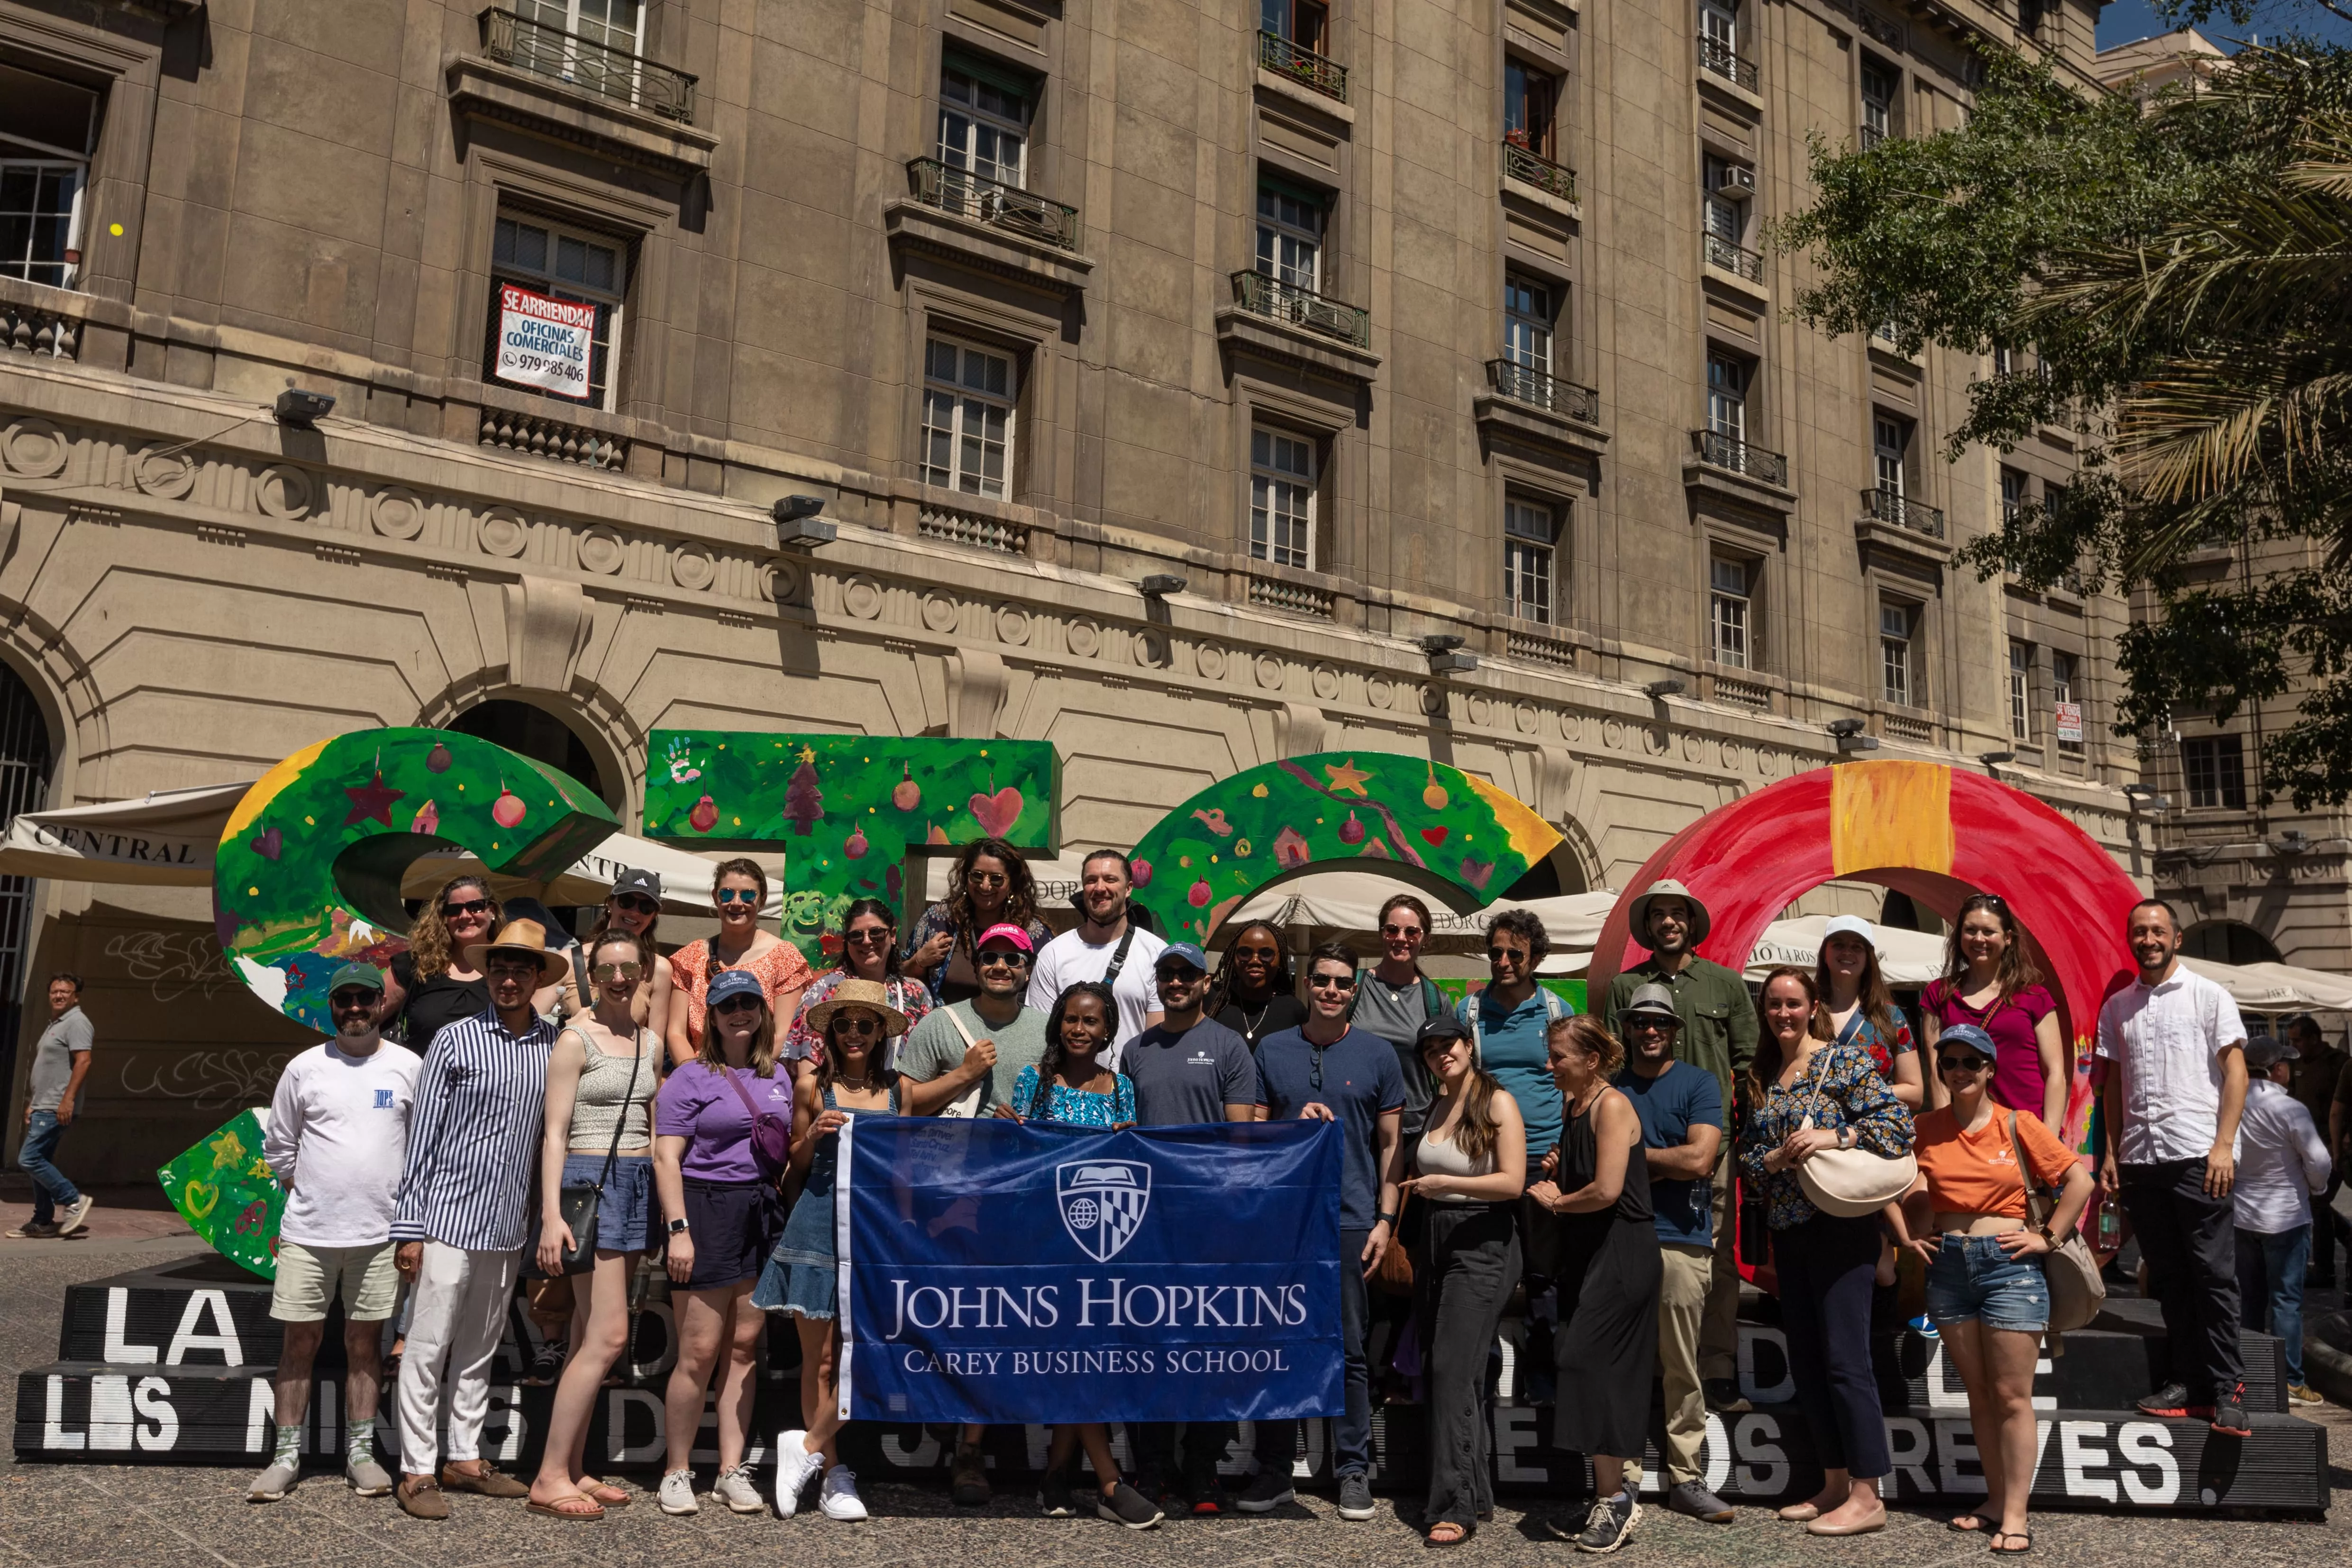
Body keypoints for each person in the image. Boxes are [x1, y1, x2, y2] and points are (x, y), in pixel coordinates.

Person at [387, 918, 567, 1521]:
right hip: (446, 1213)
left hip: (506, 1221)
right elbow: (422, 1136)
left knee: (480, 1345)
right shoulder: (455, 1039)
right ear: (487, 973)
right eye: (499, 967)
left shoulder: (554, 1042)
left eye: (521, 968)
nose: (509, 978)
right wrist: (410, 1226)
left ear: (538, 976)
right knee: (428, 1345)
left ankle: (463, 1456)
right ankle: (415, 1468)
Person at [1892, 1022, 2093, 1556]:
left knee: (2011, 1396)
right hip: (1949, 1267)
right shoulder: (1923, 1127)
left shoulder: (2016, 1122)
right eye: (1949, 1061)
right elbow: (1896, 1182)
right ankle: (1995, 1499)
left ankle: (2016, 1513)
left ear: (1989, 1070)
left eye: (1970, 1062)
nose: (1958, 1070)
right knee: (1979, 1395)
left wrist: (2047, 1237)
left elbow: (2080, 1182)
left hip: (2009, 1266)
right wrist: (1908, 1228)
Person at [1738, 966, 1912, 1537]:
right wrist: (1766, 1161)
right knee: (1810, 1362)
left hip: (1842, 1225)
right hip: (1790, 1228)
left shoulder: (1844, 1061)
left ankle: (1869, 1492)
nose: (1782, 1013)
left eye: (1793, 1002)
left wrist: (1832, 1136)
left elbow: (1895, 1125)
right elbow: (1746, 1153)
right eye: (1773, 1004)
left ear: (1814, 1006)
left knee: (1845, 1360)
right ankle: (1835, 1482)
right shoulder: (1762, 1074)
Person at [1243, 942, 1404, 1523]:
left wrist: (1387, 1220)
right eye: (1324, 980)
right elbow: (1254, 1132)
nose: (1333, 990)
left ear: (1354, 988)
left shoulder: (1379, 1054)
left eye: (1343, 982)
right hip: (1285, 1217)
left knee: (1350, 1349)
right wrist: (1291, 1123)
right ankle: (1274, 1467)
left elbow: (1391, 1145)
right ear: (1307, 984)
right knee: (1279, 1345)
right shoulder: (1273, 1049)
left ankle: (1354, 1468)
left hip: (1352, 1216)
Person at [894, 921, 1052, 1506]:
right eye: (991, 956)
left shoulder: (1046, 1029)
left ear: (1029, 966)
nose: (1002, 965)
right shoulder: (940, 1022)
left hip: (1024, 1199)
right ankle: (952, 1429)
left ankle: (973, 1444)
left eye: (1013, 957)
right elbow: (903, 1103)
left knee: (999, 1322)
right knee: (951, 1316)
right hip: (950, 1196)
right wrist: (961, 1075)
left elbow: (1067, 1099)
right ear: (977, 963)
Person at [248, 963, 419, 1502]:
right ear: (332, 1005)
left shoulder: (409, 1066)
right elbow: (279, 1144)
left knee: (363, 1343)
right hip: (310, 1232)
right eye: (343, 998)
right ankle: (285, 1457)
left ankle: (361, 1455)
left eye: (363, 998)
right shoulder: (305, 1068)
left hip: (380, 1235)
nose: (353, 1008)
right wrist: (313, 1187)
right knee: (300, 1342)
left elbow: (424, 1147)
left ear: (379, 1003)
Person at [994, 981, 1162, 1528]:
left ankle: (1056, 1475)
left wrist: (1127, 1138)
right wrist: (1005, 1131)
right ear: (1057, 1024)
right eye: (1070, 1018)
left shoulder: (1122, 1088)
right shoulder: (1034, 1082)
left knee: (1086, 1358)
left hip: (1103, 1250)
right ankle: (1110, 1482)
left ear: (1109, 1029)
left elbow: (1132, 1166)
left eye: (1091, 1020)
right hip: (1044, 1242)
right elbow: (1013, 1160)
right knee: (1072, 1356)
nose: (1079, 1028)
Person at [2096, 898, 2253, 1434]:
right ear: (2131, 939)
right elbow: (2113, 1086)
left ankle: (2228, 1386)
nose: (2148, 939)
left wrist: (2224, 1144)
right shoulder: (2117, 1006)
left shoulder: (2209, 995)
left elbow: (2236, 1073)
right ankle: (2188, 1380)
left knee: (2213, 1275)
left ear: (2176, 938)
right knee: (2168, 1277)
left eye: (2158, 930)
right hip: (2143, 1157)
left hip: (2198, 1156)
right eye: (2139, 931)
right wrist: (2113, 1152)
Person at [1601, 879, 1756, 1413]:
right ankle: (1652, 1368)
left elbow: (1747, 1067)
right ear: (1647, 926)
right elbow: (1610, 1067)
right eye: (1659, 914)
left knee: (1715, 1261)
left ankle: (1716, 1367)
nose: (1669, 921)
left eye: (1678, 913)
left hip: (1709, 1147)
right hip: (1639, 1144)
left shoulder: (1727, 984)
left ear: (1692, 923)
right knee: (1641, 1258)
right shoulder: (1626, 986)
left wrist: (1749, 1146)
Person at [760, 978, 909, 1522]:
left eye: (864, 1025)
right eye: (843, 1023)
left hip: (875, 1229)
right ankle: (831, 1471)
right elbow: (791, 1168)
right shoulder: (811, 1085)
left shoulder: (900, 1088)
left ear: (879, 1033)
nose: (853, 1033)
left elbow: (907, 1173)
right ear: (829, 1031)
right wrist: (813, 1137)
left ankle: (805, 1444)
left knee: (869, 1353)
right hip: (819, 1222)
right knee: (820, 1359)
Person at [526, 930, 663, 1521]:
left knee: (590, 1336)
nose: (617, 977)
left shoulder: (652, 1042)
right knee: (608, 1337)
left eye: (627, 967)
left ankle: (576, 1465)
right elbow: (553, 1135)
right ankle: (549, 1474)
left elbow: (653, 1128)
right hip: (589, 1183)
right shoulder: (574, 1039)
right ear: (593, 973)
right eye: (606, 967)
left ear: (642, 972)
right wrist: (552, 1214)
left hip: (636, 1187)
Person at [651, 966, 793, 1516]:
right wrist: (679, 1229)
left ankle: (731, 1468)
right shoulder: (690, 1076)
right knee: (699, 1350)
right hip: (705, 1207)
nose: (741, 1012)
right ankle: (678, 1469)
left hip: (760, 1209)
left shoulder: (777, 1073)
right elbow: (667, 1157)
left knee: (743, 1349)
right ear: (710, 1014)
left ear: (762, 1011)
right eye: (729, 1004)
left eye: (750, 1003)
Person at [1124, 942, 1259, 1516]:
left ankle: (1203, 1467)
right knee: (1148, 1346)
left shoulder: (1229, 1046)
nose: (1175, 982)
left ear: (1205, 983)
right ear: (1156, 982)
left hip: (1209, 1222)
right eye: (1167, 974)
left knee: (1210, 1346)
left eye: (1186, 974)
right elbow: (1122, 1130)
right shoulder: (1134, 1049)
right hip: (1146, 1224)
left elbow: (1240, 1142)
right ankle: (1153, 1466)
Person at [1528, 1016, 1661, 1555]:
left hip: (1623, 1251)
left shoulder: (1612, 1103)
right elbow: (1592, 1171)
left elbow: (1607, 1190)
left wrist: (1558, 1199)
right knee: (1589, 1366)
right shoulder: (1574, 1105)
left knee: (1587, 1361)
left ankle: (1620, 1496)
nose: (1549, 1065)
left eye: (1558, 1056)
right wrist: (1563, 1165)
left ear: (1590, 1059)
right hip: (1590, 1252)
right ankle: (1611, 1491)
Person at [1610, 984, 1733, 1524]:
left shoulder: (1699, 1082)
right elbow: (1593, 1157)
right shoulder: (1610, 1086)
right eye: (1641, 1021)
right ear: (1629, 1027)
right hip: (1619, 1241)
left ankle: (1687, 1476)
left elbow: (1701, 1157)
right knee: (1627, 1365)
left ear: (1675, 1030)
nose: (1651, 1030)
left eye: (1660, 1022)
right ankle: (1626, 1477)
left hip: (1682, 1238)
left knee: (1682, 1365)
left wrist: (1630, 1157)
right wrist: (1663, 1161)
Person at [1402, 1016, 1526, 1547]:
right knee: (1458, 1371)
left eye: (1446, 1044)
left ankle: (1452, 1505)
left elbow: (1513, 1181)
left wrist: (1446, 1182)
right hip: (1437, 1236)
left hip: (1484, 1238)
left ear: (1468, 1045)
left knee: (1453, 1369)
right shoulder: (1436, 1103)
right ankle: (1474, 1492)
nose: (1439, 1055)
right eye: (1429, 1050)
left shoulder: (1497, 1100)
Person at [2232, 1032, 2332, 1405]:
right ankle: (2290, 1381)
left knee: (2248, 1303)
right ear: (2276, 1070)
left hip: (2243, 1215)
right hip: (2287, 1218)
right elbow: (2319, 1161)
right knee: (2286, 1303)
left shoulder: (2231, 1103)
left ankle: (2247, 1379)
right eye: (2287, 1064)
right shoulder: (2291, 1109)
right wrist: (2318, 1189)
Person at [1453, 909, 1570, 1212]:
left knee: (1542, 1257)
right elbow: (1451, 1085)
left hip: (1544, 1157)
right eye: (1496, 952)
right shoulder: (1468, 1012)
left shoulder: (1559, 1013)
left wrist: (1567, 1148)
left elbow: (1576, 1090)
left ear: (1536, 959)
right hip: (1485, 1153)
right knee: (1491, 1256)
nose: (1503, 963)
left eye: (1515, 955)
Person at [1920, 893, 2066, 1129]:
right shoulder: (1939, 993)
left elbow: (2056, 1073)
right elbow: (1937, 1072)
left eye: (1989, 932)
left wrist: (2048, 1137)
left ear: (2008, 938)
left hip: (2025, 1128)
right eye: (1971, 930)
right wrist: (1948, 1133)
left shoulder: (2035, 997)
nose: (1979, 939)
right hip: (1967, 1130)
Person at [665, 857, 811, 1068]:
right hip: (699, 1079)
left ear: (762, 900)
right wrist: (696, 1078)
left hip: (757, 1077)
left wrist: (742, 1081)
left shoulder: (784, 957)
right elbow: (676, 1033)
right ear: (716, 897)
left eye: (748, 895)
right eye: (727, 893)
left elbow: (782, 1035)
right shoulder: (691, 956)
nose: (736, 903)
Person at [1026, 849, 1165, 1059]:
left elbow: (1157, 1043)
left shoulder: (1156, 953)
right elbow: (1041, 1035)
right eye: (1092, 880)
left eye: (1110, 880)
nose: (1100, 888)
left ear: (1128, 889)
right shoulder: (1054, 953)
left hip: (1129, 1087)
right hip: (1066, 1088)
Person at [784, 897, 933, 1077]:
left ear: (893, 935)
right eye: (856, 936)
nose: (867, 941)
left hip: (905, 1100)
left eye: (876, 933)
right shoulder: (826, 990)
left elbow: (929, 1060)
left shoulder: (916, 994)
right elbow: (809, 1068)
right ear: (847, 943)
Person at [904, 836, 1051, 1003]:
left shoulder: (1033, 933)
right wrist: (919, 961)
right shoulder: (939, 920)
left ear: (1012, 884)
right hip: (944, 1026)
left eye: (996, 878)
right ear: (966, 878)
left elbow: (1045, 995)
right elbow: (899, 978)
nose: (985, 886)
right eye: (977, 876)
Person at [1350, 894, 1452, 1136]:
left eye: (1412, 932)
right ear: (1381, 934)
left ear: (1424, 939)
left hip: (1415, 1128)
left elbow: (1450, 1072)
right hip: (1358, 1122)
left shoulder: (1436, 1000)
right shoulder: (1353, 987)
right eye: (1392, 930)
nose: (1401, 939)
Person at [11, 973, 95, 1238]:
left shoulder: (77, 1022)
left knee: (29, 1158)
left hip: (56, 1106)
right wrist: (32, 1104)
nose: (59, 995)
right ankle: (43, 1221)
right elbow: (49, 1069)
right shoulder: (57, 1023)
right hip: (43, 1105)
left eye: (65, 992)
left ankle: (73, 1200)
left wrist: (67, 1100)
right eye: (55, 992)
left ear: (76, 997)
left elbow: (84, 1061)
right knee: (41, 1161)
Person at [379, 875, 497, 1051]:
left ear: (492, 911)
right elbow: (366, 1016)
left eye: (475, 907)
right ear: (444, 917)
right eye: (454, 910)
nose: (465, 916)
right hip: (421, 1076)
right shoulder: (417, 965)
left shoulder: (511, 966)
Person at [1817, 917, 1922, 1108]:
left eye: (1857, 947)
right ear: (1825, 954)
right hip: (1813, 1132)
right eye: (1838, 945)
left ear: (1868, 958)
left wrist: (1864, 1092)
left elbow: (1915, 1092)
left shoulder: (1890, 1016)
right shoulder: (1805, 1010)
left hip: (1873, 1132)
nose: (1847, 952)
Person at [558, 868, 674, 1039]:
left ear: (653, 916)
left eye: (646, 907)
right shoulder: (569, 960)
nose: (635, 911)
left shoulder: (658, 970)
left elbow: (654, 1044)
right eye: (627, 901)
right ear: (610, 903)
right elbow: (535, 1020)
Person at [2282, 1014, 2346, 1287]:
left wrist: (2338, 1144)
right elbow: (2293, 1099)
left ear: (2314, 1038)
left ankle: (2325, 1270)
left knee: (2318, 1204)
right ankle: (2330, 1261)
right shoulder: (2298, 1064)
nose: (2295, 1045)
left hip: (2332, 1145)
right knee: (2316, 1204)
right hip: (2308, 1144)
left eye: (2298, 1040)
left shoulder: (2339, 1063)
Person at [1208, 921, 1305, 1053]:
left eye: (1266, 954)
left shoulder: (1294, 1011)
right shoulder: (1212, 999)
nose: (1255, 961)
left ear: (1281, 960)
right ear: (1233, 957)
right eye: (1245, 953)